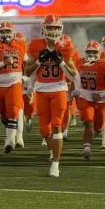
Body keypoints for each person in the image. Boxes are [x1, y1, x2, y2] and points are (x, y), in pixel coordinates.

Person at [25, 14, 77, 178]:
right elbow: (27, 72)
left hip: (59, 89)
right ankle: (53, 150)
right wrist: (40, 61)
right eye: (50, 27)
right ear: (44, 29)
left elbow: (72, 74)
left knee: (56, 125)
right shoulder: (35, 45)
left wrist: (61, 61)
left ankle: (55, 164)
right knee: (44, 130)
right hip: (41, 89)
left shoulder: (65, 45)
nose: (53, 31)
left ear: (60, 29)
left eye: (56, 27)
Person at [74, 41, 105, 161]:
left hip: (101, 100)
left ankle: (89, 140)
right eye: (89, 52)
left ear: (100, 53)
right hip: (85, 97)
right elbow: (75, 79)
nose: (91, 54)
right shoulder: (80, 63)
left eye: (94, 52)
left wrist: (102, 94)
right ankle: (87, 148)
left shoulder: (104, 65)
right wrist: (75, 91)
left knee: (98, 127)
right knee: (88, 122)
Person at [0, 21, 26, 153]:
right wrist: (3, 63)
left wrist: (26, 77)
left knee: (14, 110)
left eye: (7, 31)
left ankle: (10, 141)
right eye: (3, 31)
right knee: (4, 114)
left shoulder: (20, 44)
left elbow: (26, 62)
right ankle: (13, 133)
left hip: (14, 81)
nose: (5, 34)